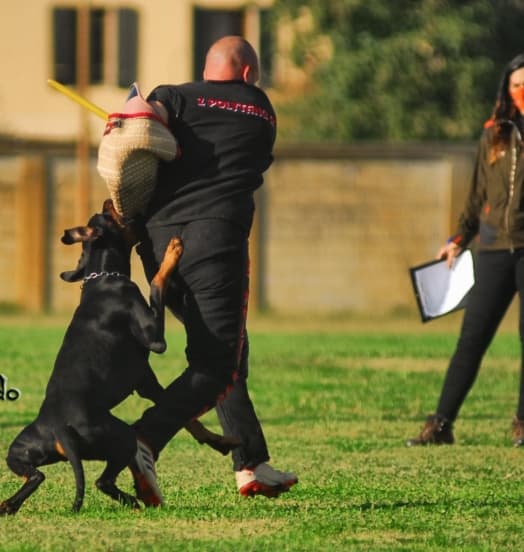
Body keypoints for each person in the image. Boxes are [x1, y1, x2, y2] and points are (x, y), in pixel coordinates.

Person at [126, 36, 297, 505]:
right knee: (217, 363)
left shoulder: (174, 95)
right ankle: (142, 440)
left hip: (158, 245)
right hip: (214, 241)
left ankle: (251, 463)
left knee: (226, 353)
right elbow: (253, 160)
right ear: (247, 74)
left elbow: (141, 126)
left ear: (206, 69)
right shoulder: (260, 108)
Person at [407, 53, 524, 447]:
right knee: (472, 338)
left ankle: (522, 423)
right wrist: (458, 238)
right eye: (516, 85)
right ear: (506, 90)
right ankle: (441, 425)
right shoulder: (494, 134)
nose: (522, 91)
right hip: (493, 247)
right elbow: (476, 196)